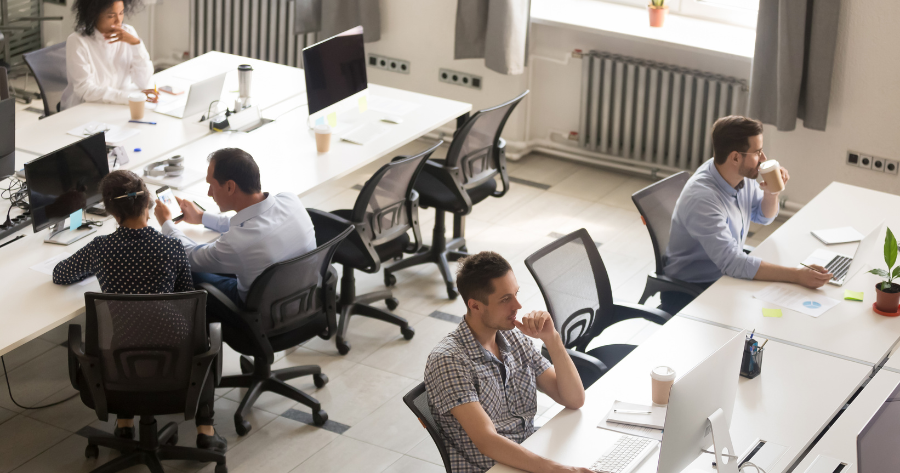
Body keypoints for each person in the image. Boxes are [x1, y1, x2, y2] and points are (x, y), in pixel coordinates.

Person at [52, 170, 226, 453]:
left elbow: (61, 274)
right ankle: (205, 429)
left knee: (127, 330)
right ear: (148, 204)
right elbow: (187, 298)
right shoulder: (171, 247)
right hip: (175, 357)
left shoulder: (101, 248)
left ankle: (124, 422)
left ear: (111, 212)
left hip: (119, 357)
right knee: (201, 337)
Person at [424, 251, 591, 473]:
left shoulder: (513, 337)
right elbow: (487, 441)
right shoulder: (449, 361)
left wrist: (552, 339)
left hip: (530, 455)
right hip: (492, 468)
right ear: (475, 306)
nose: (518, 306)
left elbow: (573, 399)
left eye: (515, 294)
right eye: (505, 299)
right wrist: (557, 470)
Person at [660, 115, 832, 315]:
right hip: (692, 290)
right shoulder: (703, 198)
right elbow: (732, 263)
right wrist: (797, 275)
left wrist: (771, 192)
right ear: (735, 157)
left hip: (723, 275)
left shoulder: (739, 175)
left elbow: (762, 216)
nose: (763, 159)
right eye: (757, 152)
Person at [154, 147, 316, 313]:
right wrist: (202, 217)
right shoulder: (290, 200)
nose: (209, 193)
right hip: (303, 298)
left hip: (258, 314)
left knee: (183, 270)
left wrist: (167, 223)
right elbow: (250, 222)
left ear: (230, 187)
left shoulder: (239, 243)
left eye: (211, 185)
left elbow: (191, 256)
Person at [60, 0, 157, 111]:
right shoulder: (77, 41)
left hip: (117, 107)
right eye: (111, 16)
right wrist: (127, 97)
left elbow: (144, 81)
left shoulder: (128, 33)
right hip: (85, 109)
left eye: (121, 13)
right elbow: (85, 90)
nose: (118, 20)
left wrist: (136, 44)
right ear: (94, 15)